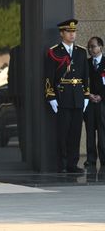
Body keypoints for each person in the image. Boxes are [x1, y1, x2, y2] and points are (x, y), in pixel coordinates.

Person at [45, 19, 90, 173]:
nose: (72, 34)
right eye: (69, 32)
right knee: (62, 133)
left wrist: (86, 95)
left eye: (74, 32)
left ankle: (72, 164)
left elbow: (86, 75)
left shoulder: (81, 51)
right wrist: (51, 97)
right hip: (62, 97)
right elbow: (48, 77)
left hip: (78, 97)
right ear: (62, 33)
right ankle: (62, 164)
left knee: (75, 133)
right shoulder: (54, 51)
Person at [84, 36, 105, 168]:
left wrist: (101, 96)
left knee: (103, 133)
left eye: (93, 46)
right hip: (90, 102)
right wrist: (88, 95)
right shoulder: (86, 63)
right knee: (90, 132)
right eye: (89, 47)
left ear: (100, 47)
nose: (90, 49)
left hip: (103, 103)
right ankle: (91, 159)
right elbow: (82, 81)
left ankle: (104, 159)